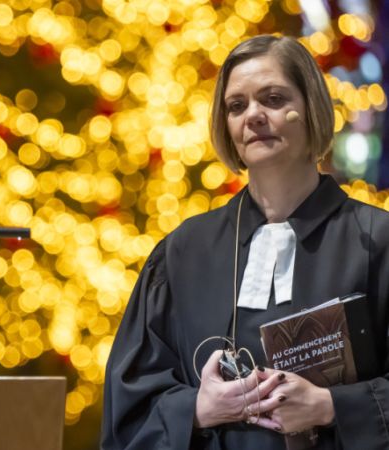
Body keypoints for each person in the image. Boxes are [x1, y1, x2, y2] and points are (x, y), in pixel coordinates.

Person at [102, 35, 389, 449]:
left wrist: (331, 407)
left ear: (311, 109)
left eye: (272, 98)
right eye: (237, 106)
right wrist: (199, 410)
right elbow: (128, 406)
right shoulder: (183, 253)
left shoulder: (376, 240)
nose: (253, 115)